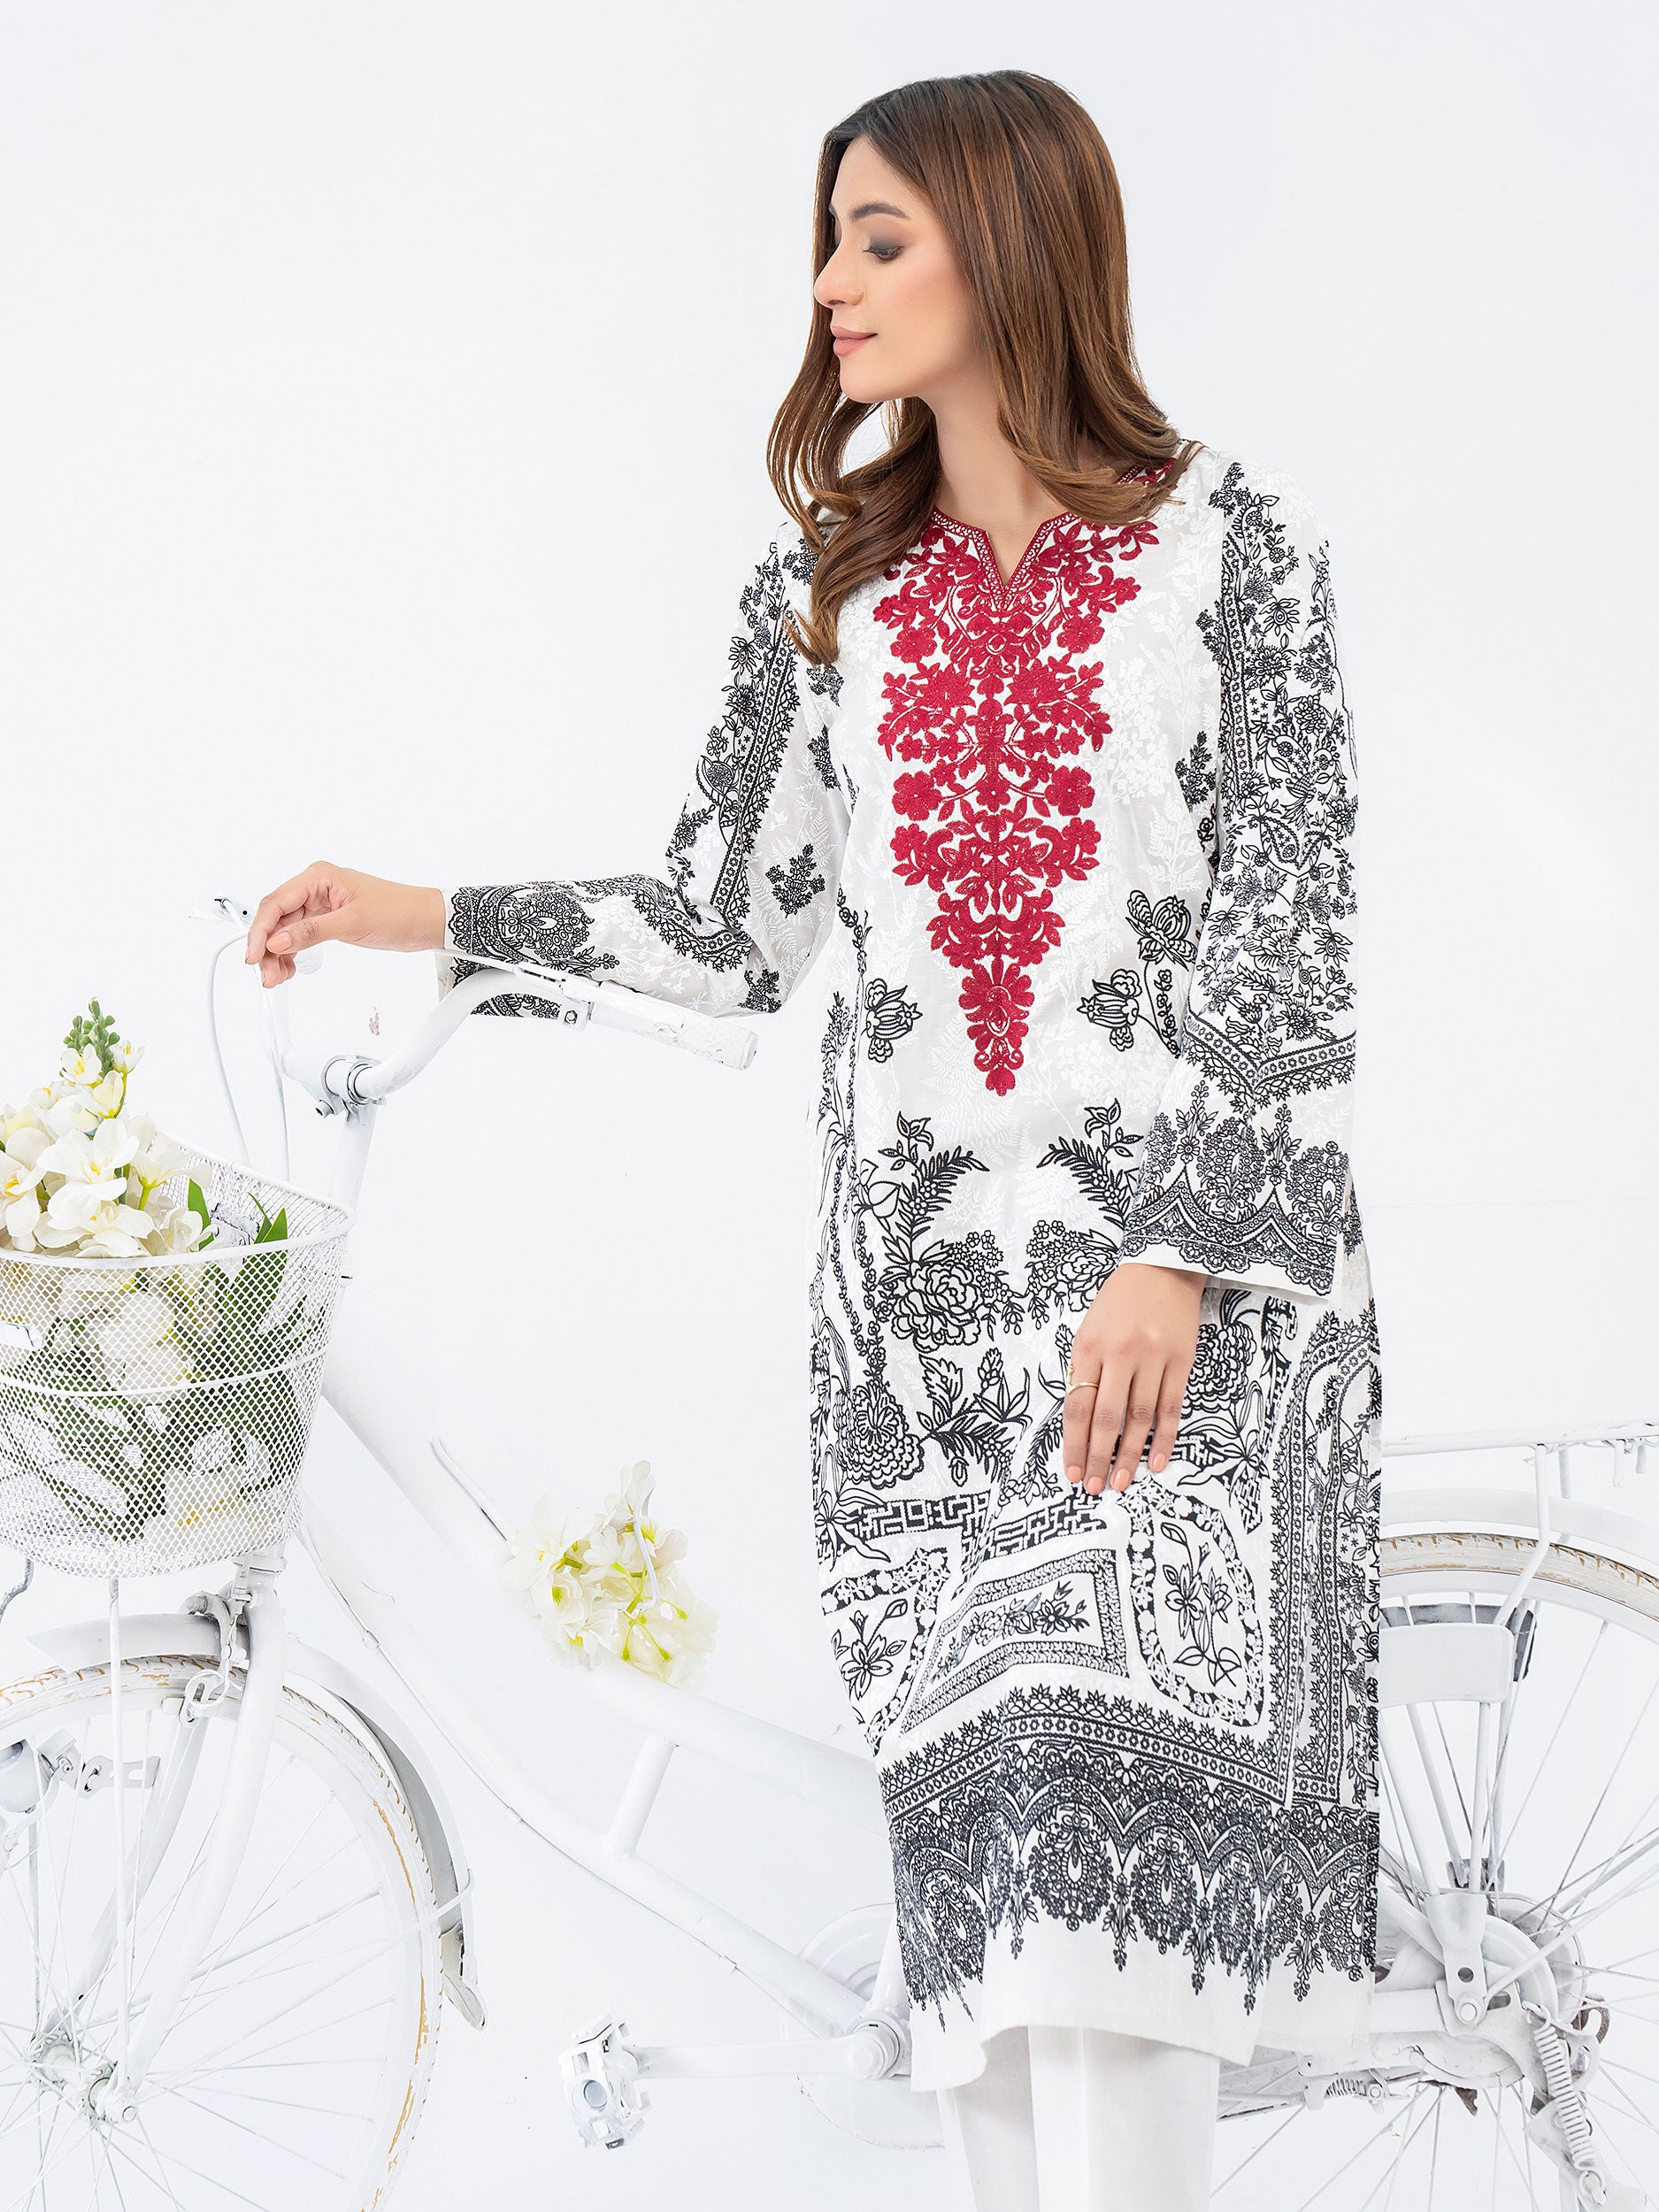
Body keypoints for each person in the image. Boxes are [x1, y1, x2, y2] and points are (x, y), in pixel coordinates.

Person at [245, 68, 1382, 2212]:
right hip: (916, 1349)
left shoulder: (1237, 552)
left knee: (1111, 1940)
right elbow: (721, 933)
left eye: (880, 237)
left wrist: (1170, 1259)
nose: (832, 285)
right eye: (826, 242)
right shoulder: (826, 593)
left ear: (1011, 242)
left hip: (1180, 1315)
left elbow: (1285, 941)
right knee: (988, 1952)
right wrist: (434, 915)